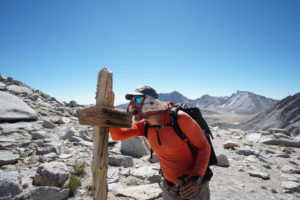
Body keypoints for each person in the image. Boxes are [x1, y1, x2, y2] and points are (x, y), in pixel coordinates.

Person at [110, 85, 211, 200]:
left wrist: (196, 179)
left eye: (137, 99)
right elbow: (118, 135)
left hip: (193, 188)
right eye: (131, 100)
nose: (132, 104)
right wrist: (110, 107)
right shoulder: (144, 125)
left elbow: (204, 147)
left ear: (150, 101)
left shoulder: (180, 119)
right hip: (169, 187)